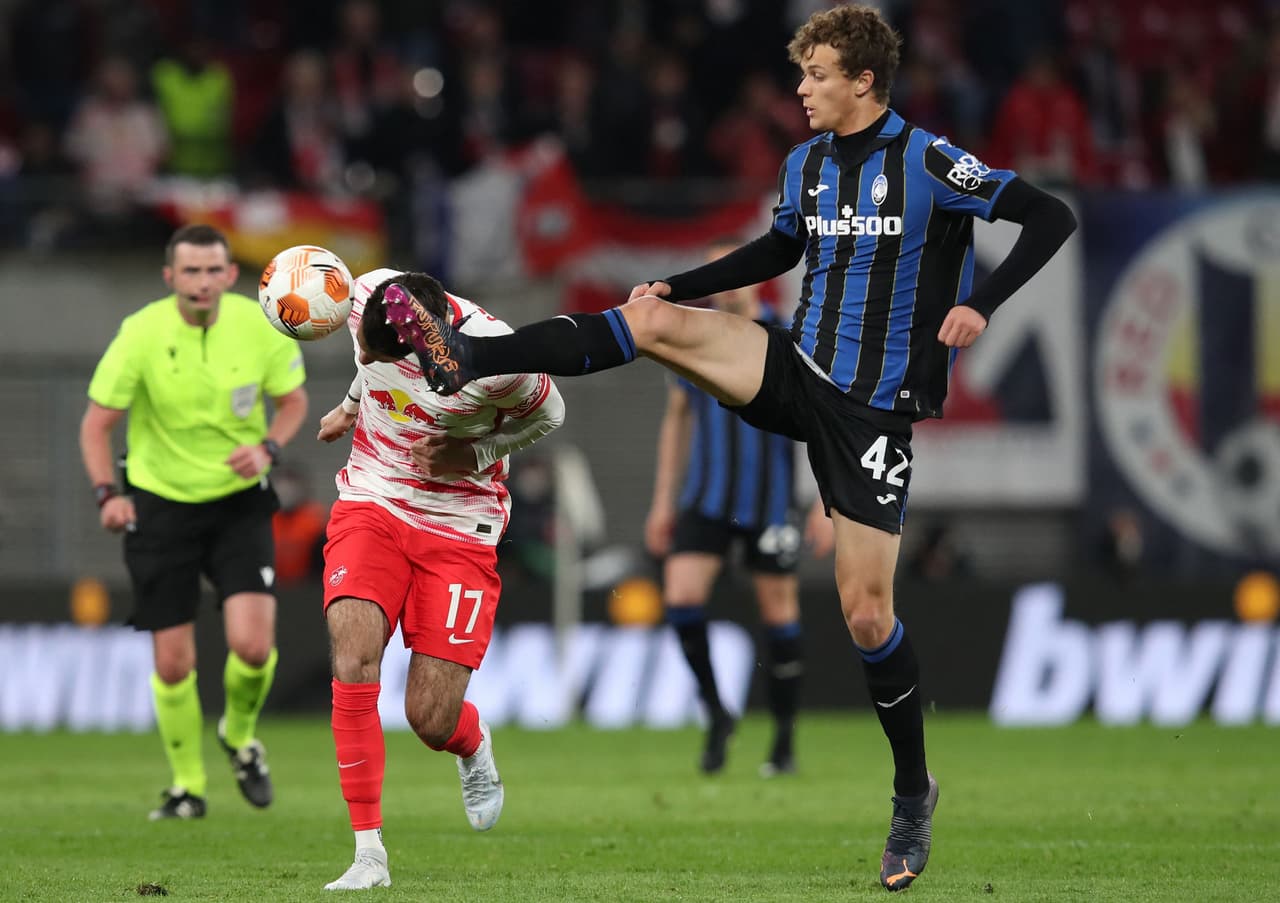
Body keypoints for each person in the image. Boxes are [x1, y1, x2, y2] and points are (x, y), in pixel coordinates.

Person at [384, 5, 1076, 891]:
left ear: (864, 80)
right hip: (794, 366)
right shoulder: (806, 164)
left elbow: (1048, 215)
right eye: (803, 73)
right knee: (649, 320)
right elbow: (779, 247)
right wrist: (680, 282)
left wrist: (982, 300)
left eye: (818, 74)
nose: (802, 89)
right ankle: (469, 357)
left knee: (867, 614)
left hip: (870, 413)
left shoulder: (930, 160)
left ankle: (913, 790)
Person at [316, 270, 565, 891]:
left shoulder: (498, 358)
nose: (365, 356)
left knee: (429, 717)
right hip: (373, 498)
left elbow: (550, 414)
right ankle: (368, 854)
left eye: (380, 353)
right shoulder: (368, 295)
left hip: (459, 523)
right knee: (353, 655)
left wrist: (475, 454)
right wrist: (350, 406)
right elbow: (368, 365)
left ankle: (472, 744)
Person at [79, 223, 309, 820]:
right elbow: (96, 425)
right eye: (191, 271)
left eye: (213, 270)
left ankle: (240, 735)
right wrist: (108, 496)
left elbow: (294, 402)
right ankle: (187, 786)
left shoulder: (260, 326)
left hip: (238, 503)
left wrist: (268, 449)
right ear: (170, 277)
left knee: (253, 647)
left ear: (230, 275)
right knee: (173, 663)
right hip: (160, 505)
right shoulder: (141, 332)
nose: (203, 282)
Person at [644, 241, 834, 777]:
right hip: (706, 498)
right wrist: (662, 501)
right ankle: (717, 712)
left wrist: (825, 502)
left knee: (778, 613)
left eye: (734, 272)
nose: (727, 283)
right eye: (716, 274)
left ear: (755, 277)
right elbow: (677, 418)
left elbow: (825, 421)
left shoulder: (789, 335)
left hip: (770, 502)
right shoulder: (693, 333)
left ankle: (784, 740)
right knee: (680, 598)